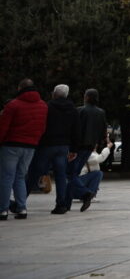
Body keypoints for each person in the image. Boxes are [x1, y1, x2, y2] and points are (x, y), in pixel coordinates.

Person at [0, 79, 49, 220]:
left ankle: (3, 210)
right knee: (20, 176)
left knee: (6, 177)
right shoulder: (43, 106)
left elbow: (3, 127)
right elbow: (42, 128)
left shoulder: (13, 105)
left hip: (11, 145)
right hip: (30, 146)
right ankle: (22, 208)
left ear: (20, 88)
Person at [27, 84, 78, 214]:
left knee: (35, 172)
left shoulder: (47, 107)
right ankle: (61, 204)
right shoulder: (73, 109)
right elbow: (76, 130)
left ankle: (21, 202)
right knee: (61, 175)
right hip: (63, 146)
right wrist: (73, 149)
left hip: (47, 144)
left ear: (54, 94)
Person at [66, 88, 106, 213]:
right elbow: (103, 131)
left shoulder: (80, 110)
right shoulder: (101, 112)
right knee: (74, 174)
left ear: (87, 97)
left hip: (77, 147)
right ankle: (66, 203)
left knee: (70, 174)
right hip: (90, 147)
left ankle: (85, 193)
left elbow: (73, 130)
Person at [71, 136, 113, 210]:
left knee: (97, 174)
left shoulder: (88, 152)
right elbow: (100, 158)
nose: (96, 145)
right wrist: (108, 147)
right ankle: (89, 195)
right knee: (98, 174)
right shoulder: (88, 154)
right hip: (78, 184)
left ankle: (86, 194)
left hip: (78, 183)